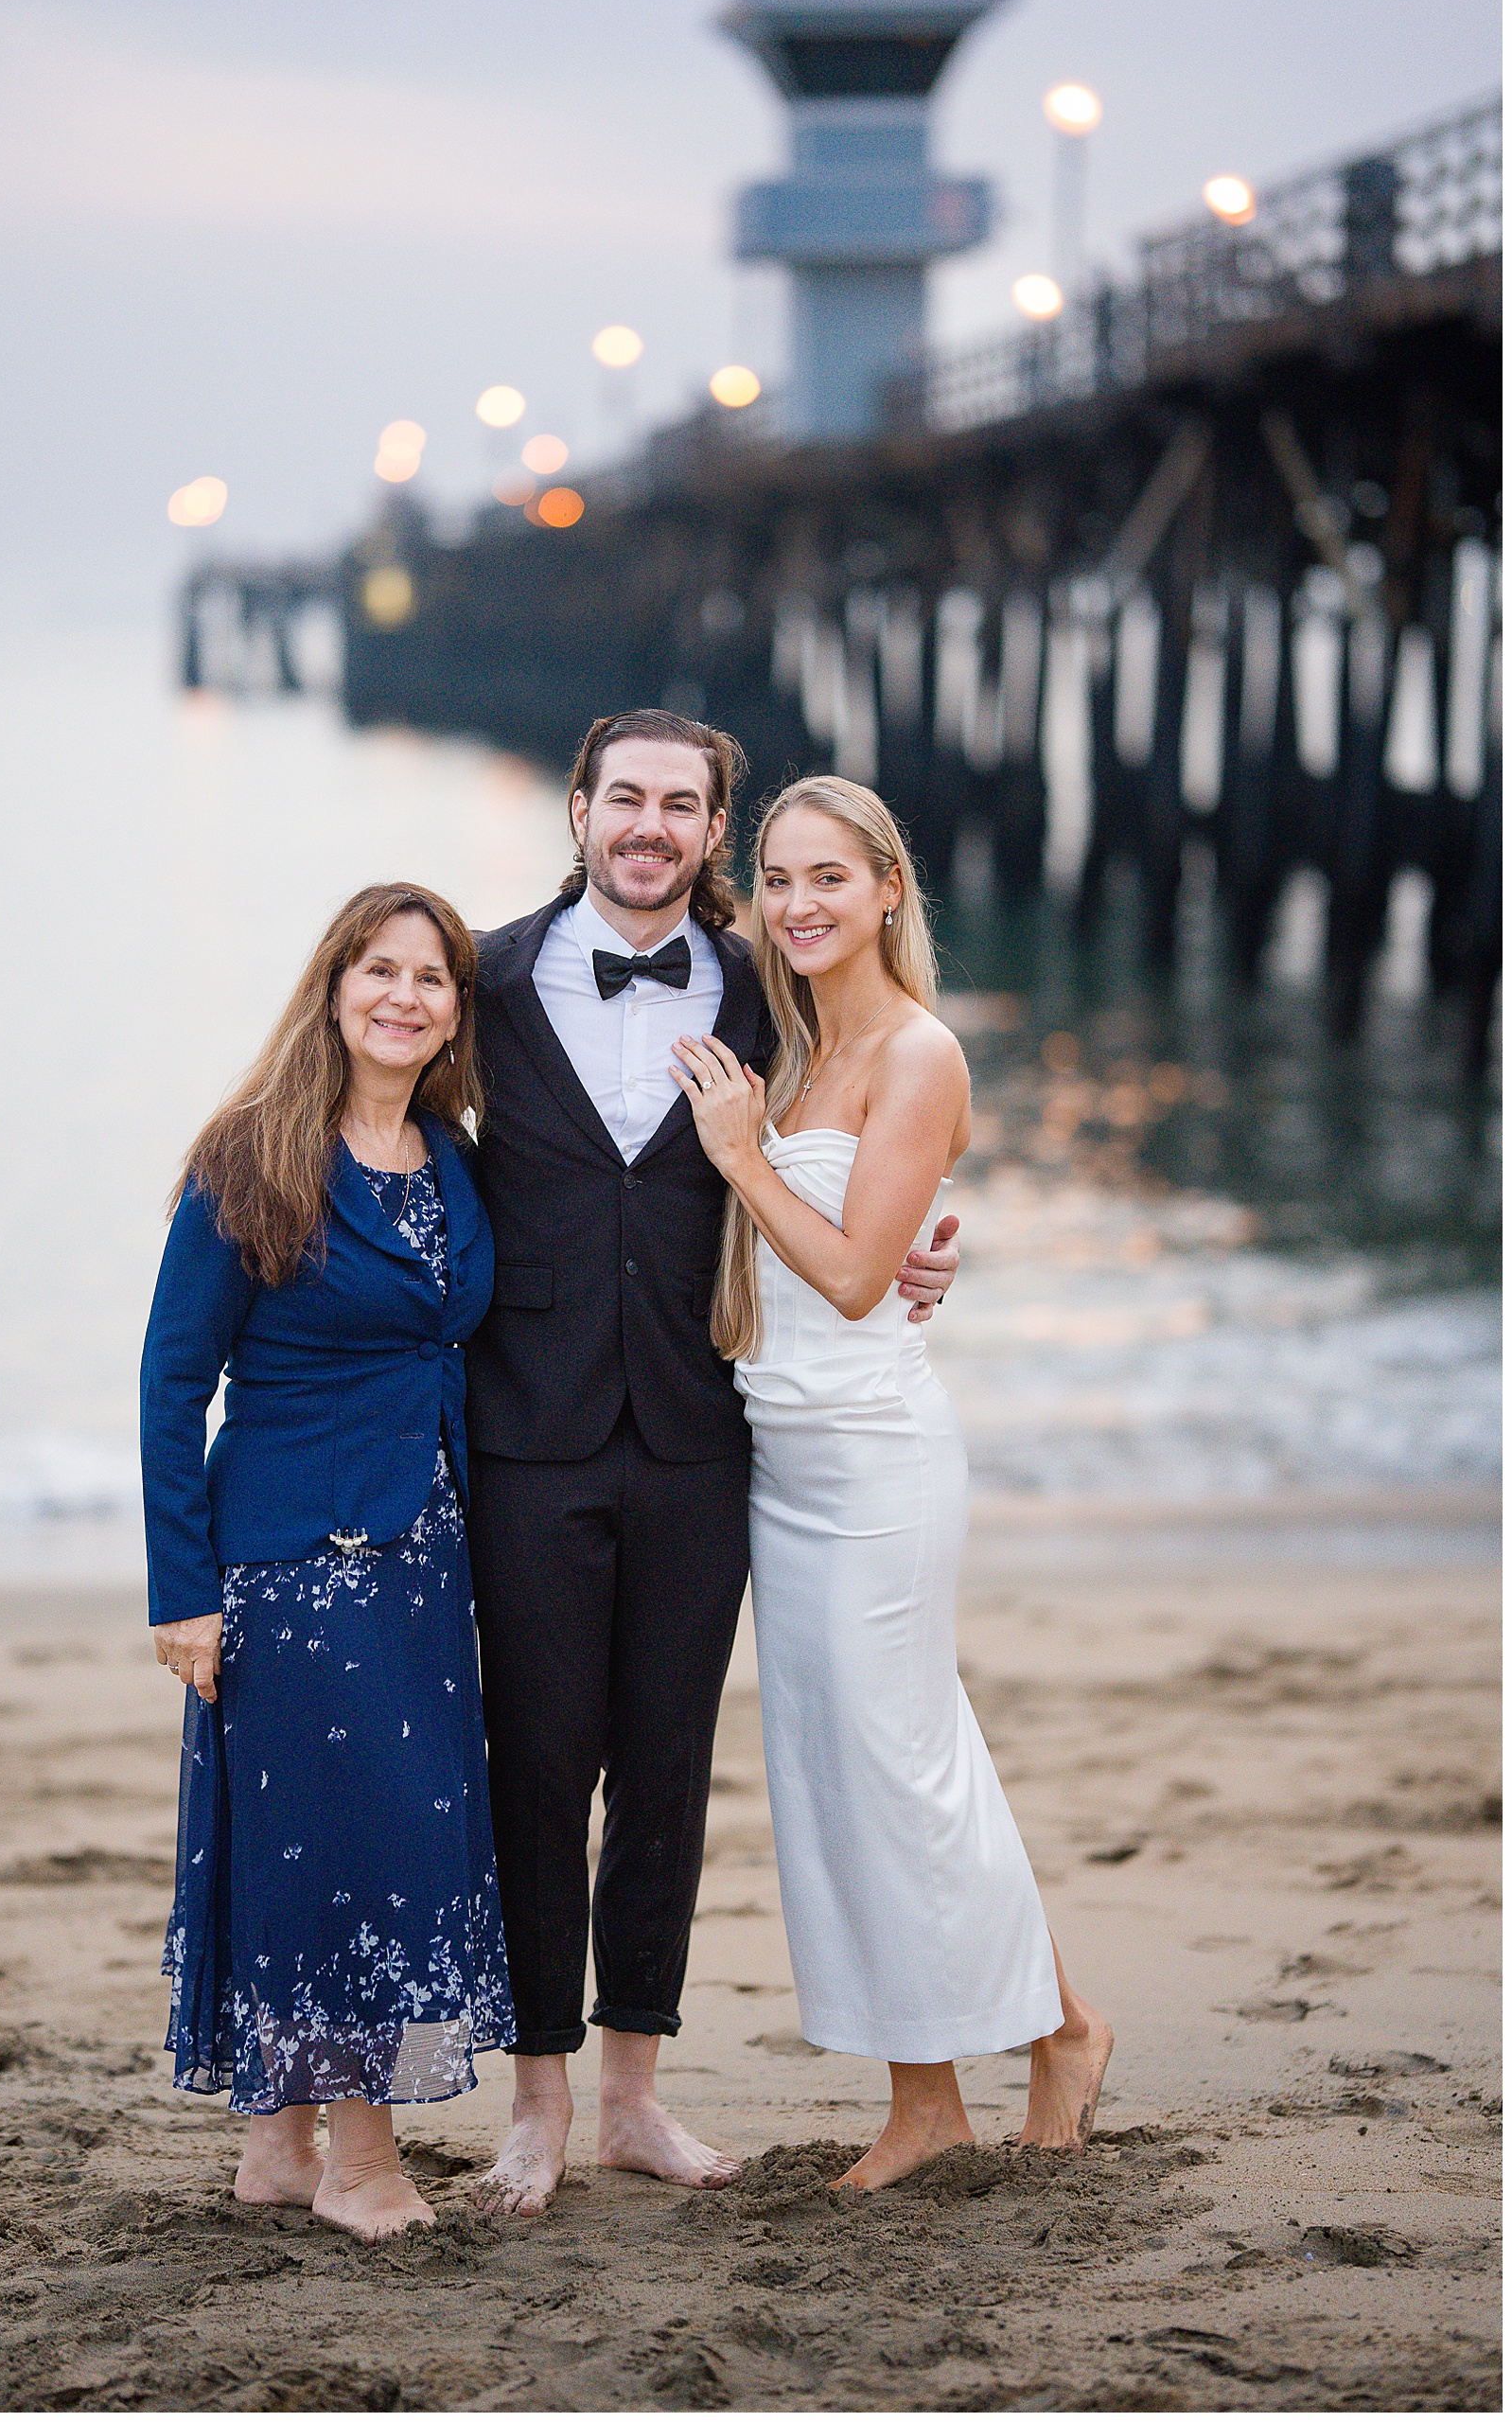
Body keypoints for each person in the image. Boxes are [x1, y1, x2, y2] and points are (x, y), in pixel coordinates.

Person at [465, 713, 962, 2216]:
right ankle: (537, 2099)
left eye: (682, 806)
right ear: (579, 807)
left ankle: (635, 2095)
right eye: (627, 797)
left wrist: (934, 1241)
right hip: (526, 1431)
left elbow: (859, 1133)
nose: (650, 826)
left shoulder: (771, 985)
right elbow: (372, 1122)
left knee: (668, 1769)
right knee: (540, 1766)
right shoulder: (481, 977)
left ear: (711, 834)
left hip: (704, 1430)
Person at [671, 775, 1114, 2190]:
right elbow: (869, 1241)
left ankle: (1051, 2033)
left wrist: (743, 1161)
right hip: (780, 1459)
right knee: (842, 1783)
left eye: (828, 879)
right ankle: (936, 2091)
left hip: (876, 1463)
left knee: (908, 1768)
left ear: (887, 890)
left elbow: (862, 1275)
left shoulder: (918, 1053)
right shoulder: (789, 1039)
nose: (799, 904)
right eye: (779, 880)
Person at [141, 883, 515, 2241]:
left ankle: (279, 2150)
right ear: (335, 985)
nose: (407, 996)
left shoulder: (454, 1156)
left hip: (423, 1558)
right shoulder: (250, 1155)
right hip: (293, 1565)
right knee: (353, 1850)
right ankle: (362, 2160)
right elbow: (172, 1381)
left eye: (436, 978)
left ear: (456, 1012)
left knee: (334, 1843)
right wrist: (179, 1592)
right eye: (383, 970)